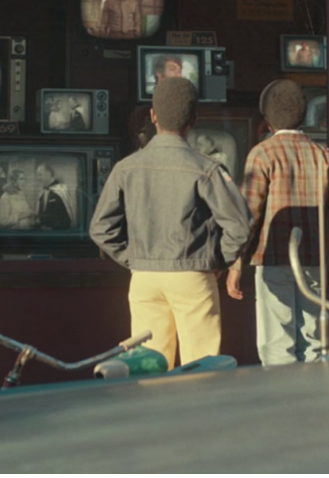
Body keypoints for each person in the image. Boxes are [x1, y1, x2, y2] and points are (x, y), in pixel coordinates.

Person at [89, 77, 251, 369]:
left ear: (152, 116)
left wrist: (133, 258)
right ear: (194, 119)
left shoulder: (125, 168)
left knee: (148, 365)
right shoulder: (206, 169)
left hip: (144, 277)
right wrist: (216, 262)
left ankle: (153, 415)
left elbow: (100, 228)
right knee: (201, 368)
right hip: (193, 274)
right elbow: (240, 226)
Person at [228, 79, 329, 365]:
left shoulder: (262, 154)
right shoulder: (324, 156)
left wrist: (235, 263)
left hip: (272, 261)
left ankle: (286, 408)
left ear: (267, 120)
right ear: (304, 116)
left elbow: (247, 215)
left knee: (277, 346)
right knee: (314, 344)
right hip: (314, 262)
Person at [33, 163, 73, 230]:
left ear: (48, 174)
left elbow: (63, 216)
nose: (38, 178)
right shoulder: (44, 192)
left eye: (40, 175)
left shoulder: (61, 190)